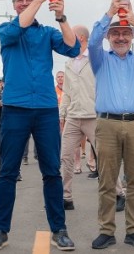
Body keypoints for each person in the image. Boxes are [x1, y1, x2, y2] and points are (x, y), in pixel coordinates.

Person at [0, 0, 80, 251]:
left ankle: (59, 230)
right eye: (20, 0)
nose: (25, 3)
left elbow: (72, 48)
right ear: (13, 5)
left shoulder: (47, 32)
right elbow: (20, 25)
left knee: (51, 171)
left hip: (46, 109)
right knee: (8, 173)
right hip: (15, 108)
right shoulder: (7, 30)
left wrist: (61, 16)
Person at [88, 0, 134, 250]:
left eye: (125, 33)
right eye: (115, 33)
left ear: (132, 37)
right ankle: (106, 230)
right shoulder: (100, 59)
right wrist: (111, 11)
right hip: (107, 125)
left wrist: (133, 17)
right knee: (107, 181)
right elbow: (93, 40)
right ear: (108, 36)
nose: (120, 38)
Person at [59, 24, 99, 209]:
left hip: (93, 115)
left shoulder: (96, 59)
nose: (66, 37)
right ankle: (66, 197)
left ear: (81, 38)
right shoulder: (68, 62)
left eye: (70, 34)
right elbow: (66, 91)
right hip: (73, 117)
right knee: (66, 156)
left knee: (104, 156)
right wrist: (62, 114)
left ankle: (118, 193)